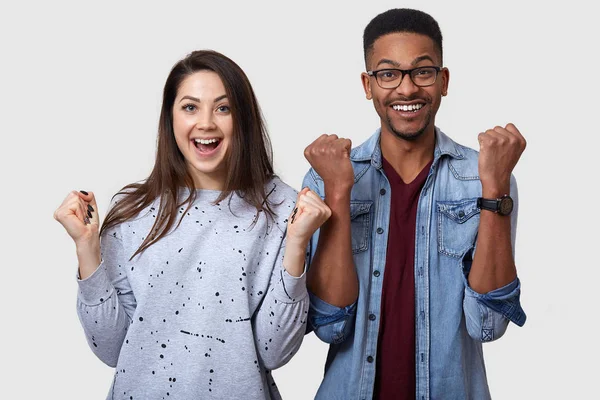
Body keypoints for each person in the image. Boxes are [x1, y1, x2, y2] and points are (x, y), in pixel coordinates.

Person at [53, 49, 331, 400]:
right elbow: (111, 350)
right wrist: (86, 248)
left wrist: (296, 244)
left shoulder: (283, 209)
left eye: (223, 108)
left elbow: (275, 351)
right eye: (190, 107)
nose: (206, 123)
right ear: (170, 118)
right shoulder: (132, 211)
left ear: (242, 118)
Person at [303, 8, 527, 400]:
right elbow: (330, 325)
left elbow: (488, 324)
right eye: (388, 74)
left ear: (443, 81)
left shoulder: (485, 176)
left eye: (422, 71)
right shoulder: (328, 177)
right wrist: (339, 193)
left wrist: (495, 191)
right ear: (368, 84)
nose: (406, 89)